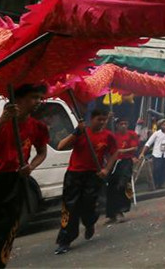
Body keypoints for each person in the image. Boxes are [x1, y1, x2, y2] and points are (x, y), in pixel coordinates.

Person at [0, 85, 49, 268]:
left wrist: (30, 167)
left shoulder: (38, 127)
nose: (38, 102)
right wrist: (2, 120)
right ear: (17, 99)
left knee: (4, 232)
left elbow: (42, 153)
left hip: (14, 182)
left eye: (40, 98)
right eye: (33, 97)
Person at [55, 108, 118, 255]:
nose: (102, 122)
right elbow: (61, 146)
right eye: (99, 120)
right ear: (92, 119)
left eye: (104, 120)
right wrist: (77, 131)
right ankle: (65, 241)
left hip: (93, 175)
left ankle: (89, 223)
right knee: (70, 208)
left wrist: (107, 169)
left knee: (89, 205)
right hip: (74, 175)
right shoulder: (82, 132)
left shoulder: (108, 136)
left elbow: (114, 152)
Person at [105, 118, 139, 224]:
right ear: (117, 125)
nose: (123, 125)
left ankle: (121, 211)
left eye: (125, 123)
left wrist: (121, 151)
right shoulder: (113, 136)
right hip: (114, 162)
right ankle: (111, 214)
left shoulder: (132, 134)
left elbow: (134, 148)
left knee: (123, 184)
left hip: (126, 161)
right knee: (111, 185)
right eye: (121, 123)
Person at [138, 118, 165, 188]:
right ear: (160, 126)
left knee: (164, 169)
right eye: (164, 125)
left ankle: (161, 184)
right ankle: (154, 184)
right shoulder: (156, 133)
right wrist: (142, 153)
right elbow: (148, 143)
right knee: (157, 169)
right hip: (157, 154)